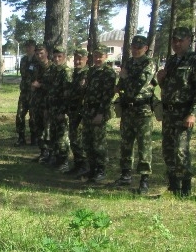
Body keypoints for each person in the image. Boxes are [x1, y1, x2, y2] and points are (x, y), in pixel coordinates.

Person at [156, 26, 196, 196]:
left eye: (181, 40)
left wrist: (193, 113)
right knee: (168, 149)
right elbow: (169, 87)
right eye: (174, 40)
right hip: (169, 112)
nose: (177, 44)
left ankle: (185, 187)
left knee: (180, 150)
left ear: (189, 40)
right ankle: (173, 185)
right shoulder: (171, 61)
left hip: (184, 111)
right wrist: (161, 80)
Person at [115, 35, 157, 195]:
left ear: (145, 48)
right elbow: (120, 85)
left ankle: (144, 180)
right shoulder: (129, 63)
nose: (135, 50)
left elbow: (140, 82)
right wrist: (122, 82)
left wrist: (125, 77)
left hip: (142, 110)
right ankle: (125, 175)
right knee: (126, 144)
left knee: (143, 146)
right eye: (133, 47)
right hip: (128, 109)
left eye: (139, 47)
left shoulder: (149, 63)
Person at [79, 44, 118, 183]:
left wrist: (101, 113)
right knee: (87, 141)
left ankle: (101, 169)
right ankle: (92, 168)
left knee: (98, 142)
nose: (97, 59)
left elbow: (107, 95)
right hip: (88, 110)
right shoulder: (91, 71)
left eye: (100, 56)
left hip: (99, 111)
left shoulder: (108, 72)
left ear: (106, 57)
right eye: (95, 56)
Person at [43, 46, 73, 168]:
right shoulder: (53, 71)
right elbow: (49, 91)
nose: (56, 59)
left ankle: (64, 160)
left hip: (61, 109)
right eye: (55, 56)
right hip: (52, 108)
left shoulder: (66, 71)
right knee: (54, 134)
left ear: (64, 57)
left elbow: (67, 94)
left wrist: (63, 111)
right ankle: (56, 158)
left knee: (62, 136)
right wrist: (47, 108)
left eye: (59, 56)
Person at [62, 48, 89, 176]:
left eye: (80, 59)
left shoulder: (87, 74)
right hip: (72, 110)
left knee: (79, 140)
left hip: (81, 112)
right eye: (76, 59)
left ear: (86, 59)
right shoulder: (75, 73)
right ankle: (77, 164)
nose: (78, 61)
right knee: (73, 139)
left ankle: (84, 165)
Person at [28, 44, 51, 161]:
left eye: (41, 53)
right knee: (38, 126)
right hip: (36, 101)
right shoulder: (35, 66)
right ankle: (43, 152)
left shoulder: (51, 67)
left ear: (46, 53)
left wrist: (40, 85)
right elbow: (30, 79)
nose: (39, 56)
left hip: (47, 102)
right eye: (37, 54)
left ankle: (50, 153)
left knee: (48, 128)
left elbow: (54, 85)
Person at [14, 40, 37, 146]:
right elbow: (23, 74)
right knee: (20, 114)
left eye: (30, 46)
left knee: (33, 116)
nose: (28, 49)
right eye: (27, 47)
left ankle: (34, 138)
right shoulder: (23, 60)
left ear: (34, 47)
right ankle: (21, 137)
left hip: (34, 92)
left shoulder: (37, 60)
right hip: (24, 92)